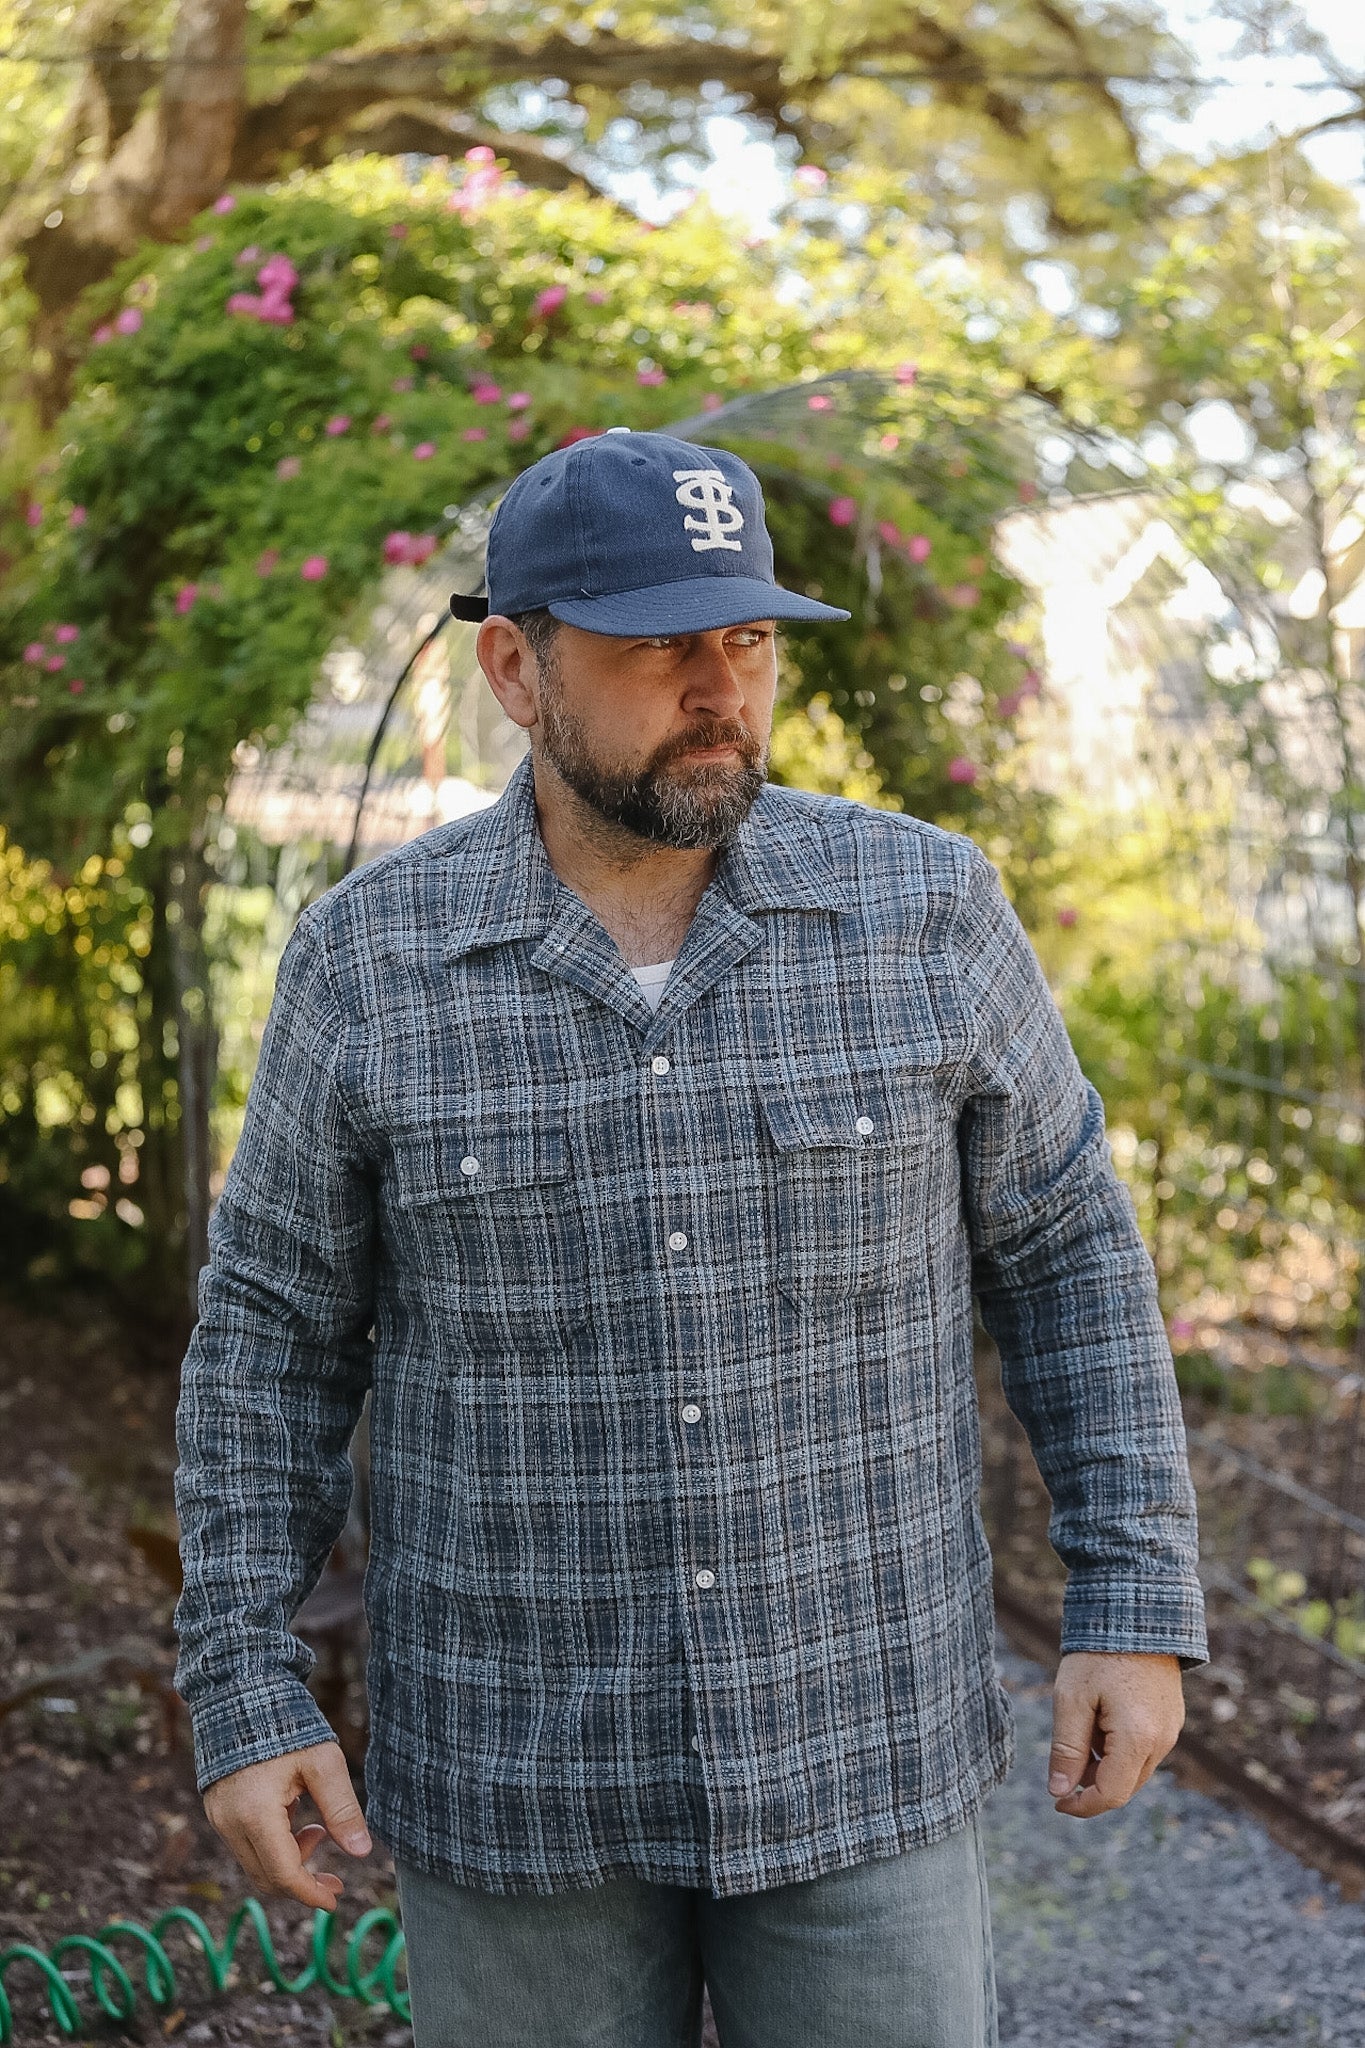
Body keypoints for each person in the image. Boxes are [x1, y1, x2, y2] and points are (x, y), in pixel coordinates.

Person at [173, 427, 1207, 2048]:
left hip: (861, 1763)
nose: (720, 684)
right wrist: (242, 1684)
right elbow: (271, 1338)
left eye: (745, 637)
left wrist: (1133, 1606)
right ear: (516, 668)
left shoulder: (923, 913)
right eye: (659, 644)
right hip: (518, 1796)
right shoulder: (370, 965)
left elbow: (1067, 1249)